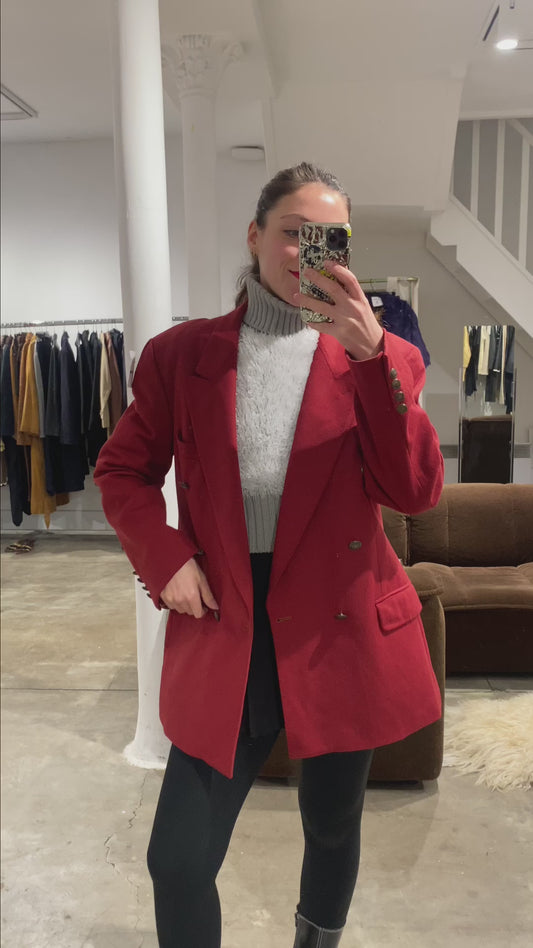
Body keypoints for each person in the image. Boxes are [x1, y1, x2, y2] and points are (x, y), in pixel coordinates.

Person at [94, 161, 443, 947]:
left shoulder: (387, 357)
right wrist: (164, 557)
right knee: (178, 858)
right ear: (253, 237)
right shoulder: (182, 355)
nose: (306, 253)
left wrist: (370, 360)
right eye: (292, 233)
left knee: (331, 822)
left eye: (328, 238)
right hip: (229, 615)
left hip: (341, 621)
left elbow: (413, 490)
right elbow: (122, 471)